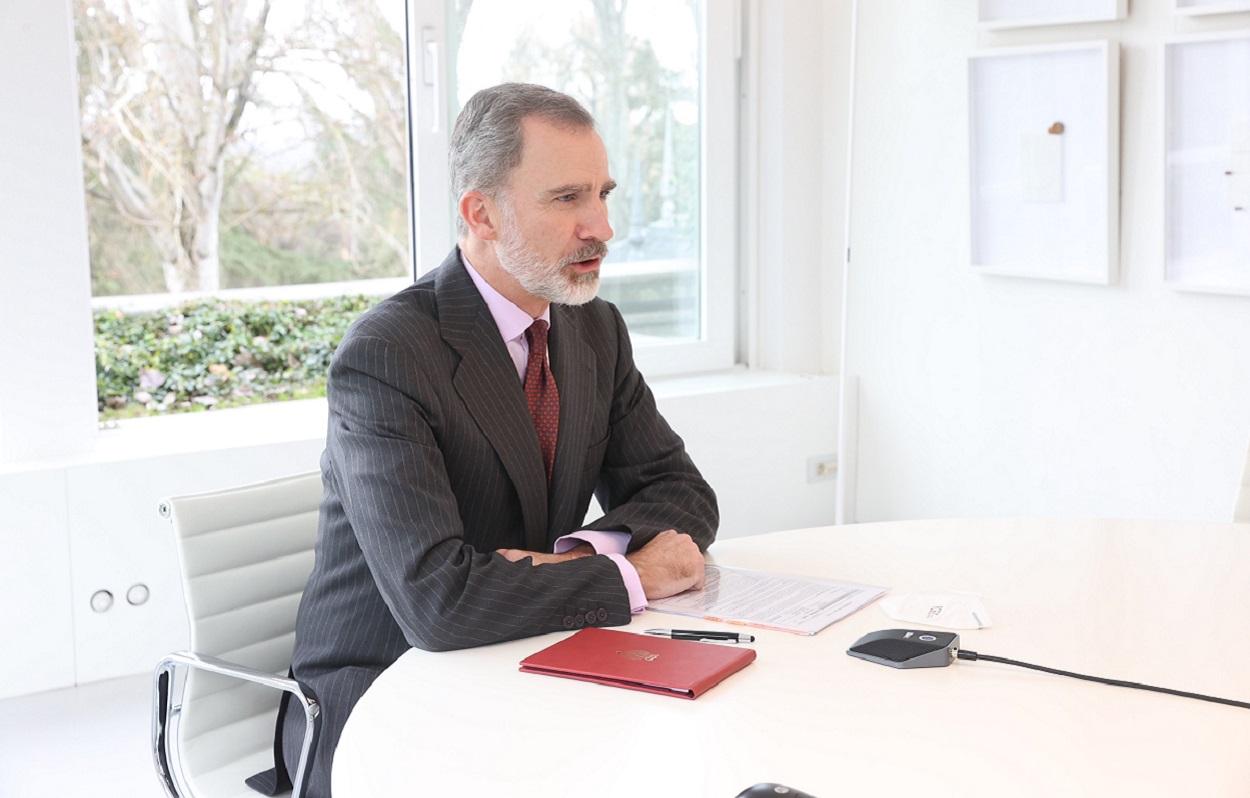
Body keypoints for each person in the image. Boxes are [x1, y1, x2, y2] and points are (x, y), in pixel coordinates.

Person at [248, 83, 718, 798]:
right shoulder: (389, 354)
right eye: (567, 199)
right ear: (481, 213)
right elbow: (436, 602)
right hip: (385, 694)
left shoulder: (594, 329)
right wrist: (633, 573)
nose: (602, 227)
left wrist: (577, 554)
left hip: (529, 662)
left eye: (603, 194)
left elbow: (682, 494)